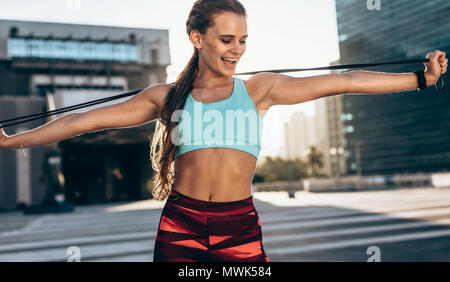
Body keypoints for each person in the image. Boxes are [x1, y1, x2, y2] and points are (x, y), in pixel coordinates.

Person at [0, 0, 447, 262]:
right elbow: (82, 121)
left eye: (243, 40)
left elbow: (344, 81)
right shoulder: (165, 96)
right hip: (181, 224)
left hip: (240, 227)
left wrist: (418, 79)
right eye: (226, 39)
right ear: (197, 38)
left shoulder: (259, 90)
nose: (236, 50)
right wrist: (9, 140)